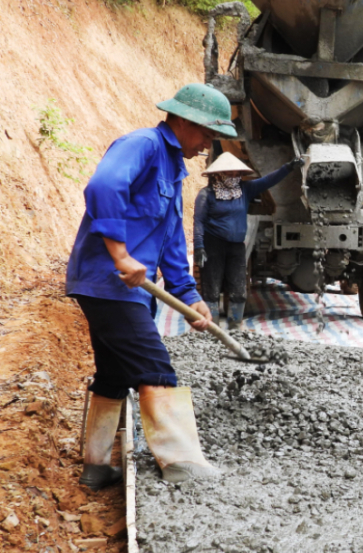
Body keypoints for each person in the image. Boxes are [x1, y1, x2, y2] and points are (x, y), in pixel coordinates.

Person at [66, 83, 236, 487]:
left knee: (114, 374)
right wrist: (121, 254)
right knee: (155, 369)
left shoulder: (174, 170)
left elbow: (172, 242)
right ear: (182, 120)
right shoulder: (142, 145)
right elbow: (103, 187)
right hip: (108, 283)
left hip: (130, 292)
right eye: (207, 134)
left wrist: (190, 296)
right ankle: (182, 466)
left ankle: (96, 467)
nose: (207, 145)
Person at [193, 152, 303, 329]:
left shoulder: (244, 190)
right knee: (211, 289)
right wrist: (199, 246)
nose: (234, 177)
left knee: (238, 289)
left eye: (237, 173)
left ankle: (235, 326)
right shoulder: (206, 195)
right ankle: (211, 327)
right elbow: (198, 221)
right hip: (213, 246)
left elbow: (269, 180)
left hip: (236, 247)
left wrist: (289, 167)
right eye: (230, 173)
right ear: (217, 174)